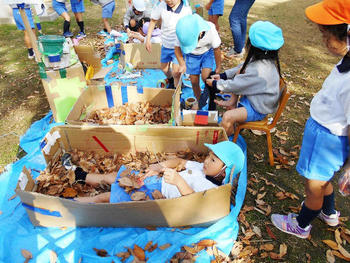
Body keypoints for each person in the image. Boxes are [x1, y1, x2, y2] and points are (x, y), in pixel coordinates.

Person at [271, 0, 350, 239]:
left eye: (326, 35)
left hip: (326, 138)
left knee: (313, 185)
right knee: (322, 179)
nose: (323, 41)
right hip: (326, 133)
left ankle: (301, 225)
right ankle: (329, 212)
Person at [68, 141, 245, 203]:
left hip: (154, 194)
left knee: (104, 198)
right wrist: (159, 167)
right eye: (209, 155)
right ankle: (78, 175)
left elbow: (195, 203)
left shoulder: (211, 189)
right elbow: (181, 161)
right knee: (115, 177)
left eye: (213, 160)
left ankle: (71, 204)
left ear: (224, 172)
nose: (206, 160)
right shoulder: (202, 168)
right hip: (156, 181)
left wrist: (179, 182)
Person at [206, 21, 284, 136]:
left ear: (251, 45)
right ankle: (232, 105)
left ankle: (223, 141)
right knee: (240, 72)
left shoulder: (259, 69)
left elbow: (236, 85)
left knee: (227, 116)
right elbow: (242, 67)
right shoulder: (264, 60)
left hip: (258, 108)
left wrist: (216, 84)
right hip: (256, 99)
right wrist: (224, 75)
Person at [174, 14, 221, 103]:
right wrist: (182, 64)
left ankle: (211, 96)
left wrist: (218, 67)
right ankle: (200, 100)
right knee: (194, 81)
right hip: (191, 55)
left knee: (206, 77)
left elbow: (217, 50)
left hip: (206, 53)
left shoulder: (211, 30)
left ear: (200, 33)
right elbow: (177, 49)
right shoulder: (181, 31)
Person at [145, 0, 192, 89]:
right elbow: (153, 21)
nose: (169, 2)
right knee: (164, 68)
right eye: (167, 0)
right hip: (166, 45)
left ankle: (177, 95)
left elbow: (189, 27)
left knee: (176, 72)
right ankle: (171, 81)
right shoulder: (161, 6)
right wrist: (148, 39)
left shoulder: (186, 9)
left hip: (178, 47)